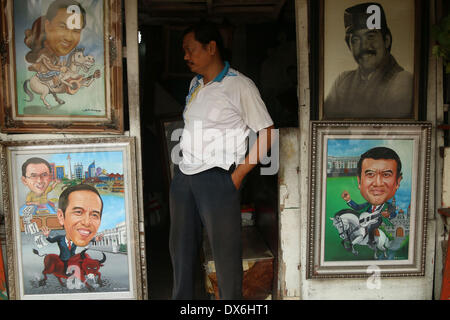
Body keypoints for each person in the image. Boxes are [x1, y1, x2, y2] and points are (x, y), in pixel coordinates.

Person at [169, 21, 274, 300]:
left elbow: (267, 133)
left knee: (226, 256)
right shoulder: (195, 84)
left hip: (217, 179)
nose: (186, 56)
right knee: (181, 252)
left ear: (211, 47)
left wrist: (237, 176)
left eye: (190, 50)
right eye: (184, 51)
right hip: (184, 178)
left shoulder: (239, 85)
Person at [324, 2, 413, 119]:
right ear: (349, 46)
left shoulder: (402, 80)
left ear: (386, 40)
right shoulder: (342, 82)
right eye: (356, 39)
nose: (364, 46)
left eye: (370, 36)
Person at [341, 147, 402, 247]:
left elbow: (393, 214)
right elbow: (358, 207)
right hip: (365, 221)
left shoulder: (389, 206)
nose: (378, 183)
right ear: (359, 181)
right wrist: (348, 200)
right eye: (370, 174)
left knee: (371, 227)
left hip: (377, 223)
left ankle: (371, 240)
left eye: (386, 175)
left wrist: (388, 215)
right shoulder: (368, 205)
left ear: (397, 182)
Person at [41, 184, 104, 275]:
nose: (86, 223)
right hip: (64, 259)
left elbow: (88, 239)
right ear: (61, 216)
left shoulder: (76, 239)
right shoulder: (60, 238)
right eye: (78, 212)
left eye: (94, 215)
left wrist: (95, 239)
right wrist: (47, 235)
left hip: (73, 258)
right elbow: (51, 240)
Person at [24, 0, 87, 89]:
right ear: (47, 26)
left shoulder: (56, 56)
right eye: (62, 27)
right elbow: (50, 67)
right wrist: (58, 69)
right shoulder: (44, 56)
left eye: (76, 31)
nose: (68, 38)